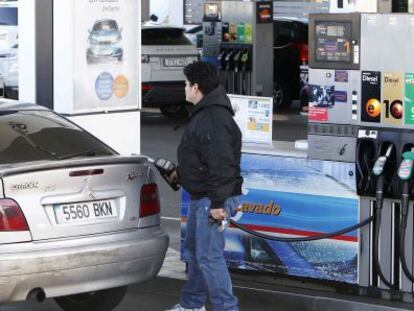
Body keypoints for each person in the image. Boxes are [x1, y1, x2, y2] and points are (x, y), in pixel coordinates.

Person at [166, 61, 243, 311]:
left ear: (196, 87)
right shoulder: (207, 113)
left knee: (209, 258)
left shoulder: (212, 118)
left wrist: (219, 204)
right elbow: (202, 157)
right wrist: (180, 173)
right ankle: (191, 305)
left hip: (212, 199)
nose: (184, 88)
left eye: (186, 84)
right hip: (204, 197)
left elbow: (222, 165)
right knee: (198, 257)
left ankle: (226, 308)